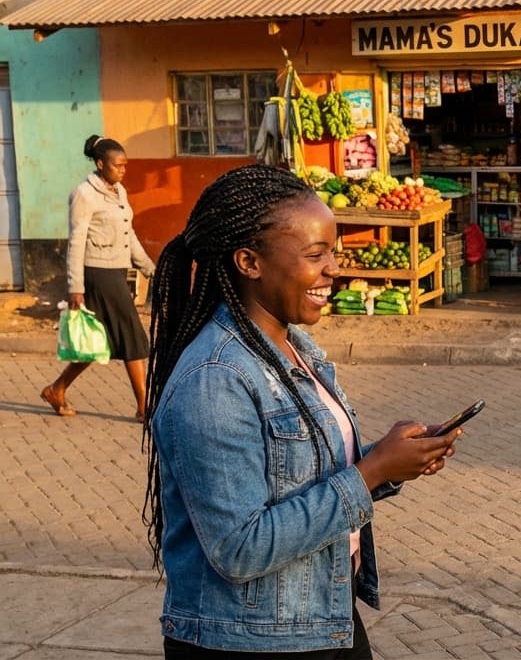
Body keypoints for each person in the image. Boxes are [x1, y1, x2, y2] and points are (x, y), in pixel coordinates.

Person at [143, 164, 462, 658]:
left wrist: (391, 460)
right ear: (249, 262)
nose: (333, 269)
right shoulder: (215, 377)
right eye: (315, 255)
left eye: (333, 252)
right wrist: (373, 472)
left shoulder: (294, 348)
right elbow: (239, 547)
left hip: (319, 616)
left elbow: (296, 474)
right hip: (249, 641)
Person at [42, 135, 156, 420]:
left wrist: (149, 268)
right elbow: (76, 242)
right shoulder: (84, 194)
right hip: (97, 273)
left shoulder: (119, 191)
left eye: (125, 165)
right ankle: (144, 407)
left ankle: (56, 389)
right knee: (132, 334)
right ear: (100, 163)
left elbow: (129, 235)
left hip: (116, 270)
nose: (123, 170)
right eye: (118, 165)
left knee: (98, 342)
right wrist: (75, 287)